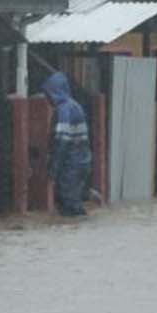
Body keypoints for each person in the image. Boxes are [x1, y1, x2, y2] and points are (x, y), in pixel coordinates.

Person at [43, 71, 92, 218]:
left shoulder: (64, 109)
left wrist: (52, 170)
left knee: (69, 206)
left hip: (70, 166)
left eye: (49, 94)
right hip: (81, 163)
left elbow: (61, 142)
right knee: (72, 202)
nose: (48, 98)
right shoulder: (75, 106)